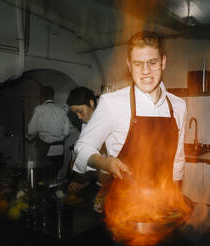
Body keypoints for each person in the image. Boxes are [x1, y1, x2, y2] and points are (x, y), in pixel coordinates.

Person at [74, 31, 187, 211]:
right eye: (138, 64)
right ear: (129, 65)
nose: (145, 71)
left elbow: (178, 159)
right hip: (123, 208)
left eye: (152, 62)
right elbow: (83, 147)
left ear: (163, 62)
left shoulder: (178, 106)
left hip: (161, 205)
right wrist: (106, 163)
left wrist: (175, 194)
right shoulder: (112, 103)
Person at [27, 86, 69, 178]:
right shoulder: (62, 110)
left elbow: (31, 130)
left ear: (41, 97)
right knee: (55, 176)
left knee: (43, 177)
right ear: (53, 96)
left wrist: (30, 136)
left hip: (45, 150)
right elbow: (67, 132)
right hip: (59, 151)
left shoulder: (39, 109)